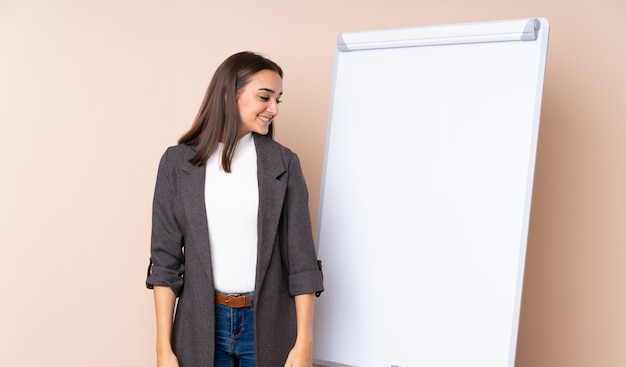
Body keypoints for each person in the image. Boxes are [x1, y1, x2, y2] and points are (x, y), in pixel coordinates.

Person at [146, 51, 324, 367]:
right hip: (200, 326)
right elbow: (165, 262)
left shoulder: (283, 163)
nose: (274, 108)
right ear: (231, 94)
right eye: (265, 97)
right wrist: (164, 347)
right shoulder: (177, 164)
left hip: (268, 325)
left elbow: (302, 262)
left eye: (278, 100)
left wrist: (304, 343)